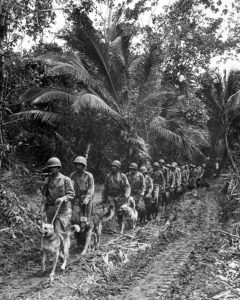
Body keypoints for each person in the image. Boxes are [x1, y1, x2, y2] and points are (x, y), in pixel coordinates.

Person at [41, 157, 75, 233]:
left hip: (61, 210)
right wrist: (44, 184)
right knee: (50, 232)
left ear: (58, 168)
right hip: (49, 209)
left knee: (58, 231)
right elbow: (44, 195)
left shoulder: (65, 179)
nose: (52, 169)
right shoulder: (47, 179)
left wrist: (63, 198)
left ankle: (62, 244)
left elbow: (72, 194)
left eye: (54, 167)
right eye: (50, 168)